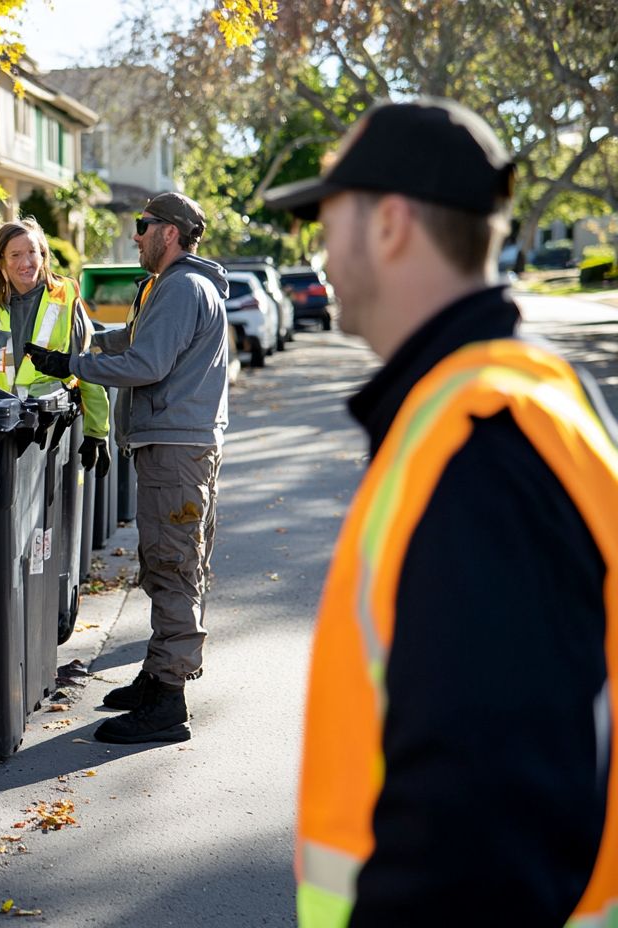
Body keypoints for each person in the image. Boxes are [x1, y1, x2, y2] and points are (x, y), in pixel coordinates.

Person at [263, 98, 618, 926]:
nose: (319, 251)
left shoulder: (478, 444)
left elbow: (483, 841)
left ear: (389, 223)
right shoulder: (519, 395)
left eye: (328, 220)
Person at [25, 193, 231, 745]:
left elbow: (146, 363)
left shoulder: (184, 286)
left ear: (171, 232)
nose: (136, 236)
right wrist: (78, 345)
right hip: (177, 449)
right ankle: (158, 677)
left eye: (143, 227)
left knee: (173, 567)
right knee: (169, 563)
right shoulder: (170, 287)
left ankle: (168, 702)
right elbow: (134, 340)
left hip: (176, 451)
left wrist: (73, 365)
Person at [0, 218, 111, 470]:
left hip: (50, 429)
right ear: (0, 261)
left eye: (32, 252)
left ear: (43, 254)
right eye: (15, 254)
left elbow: (88, 362)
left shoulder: (66, 299)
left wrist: (97, 430)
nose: (25, 262)